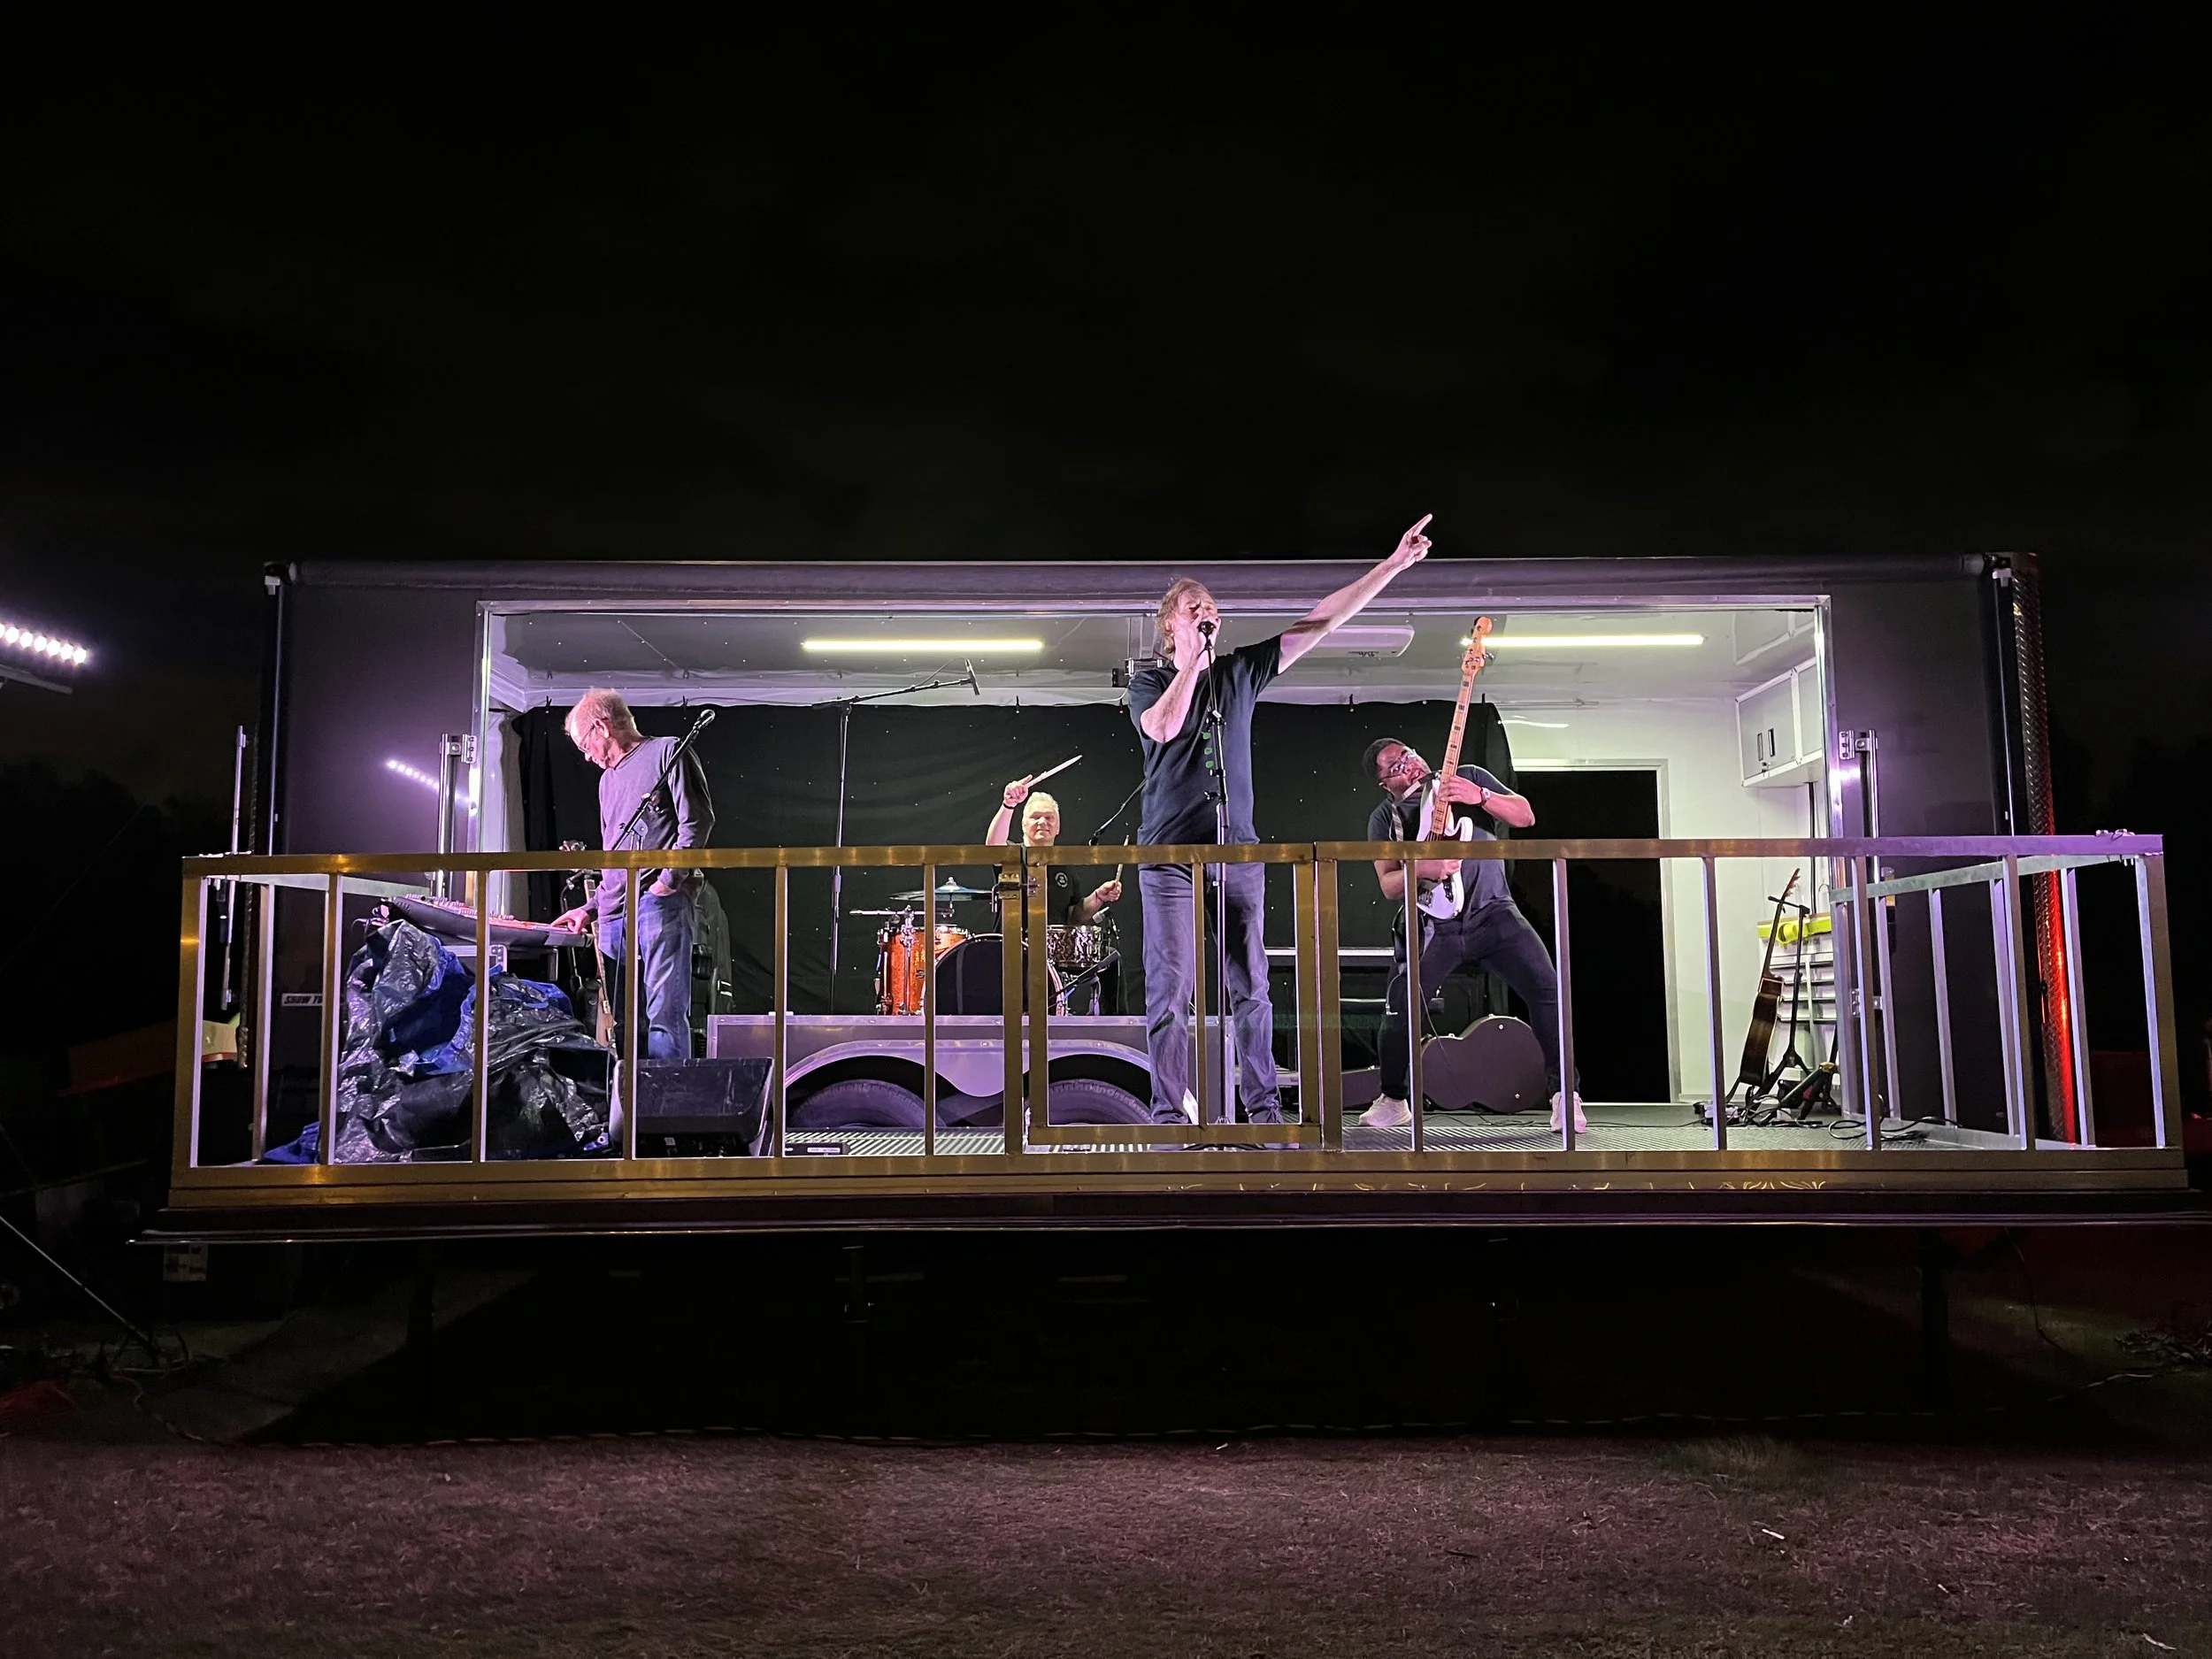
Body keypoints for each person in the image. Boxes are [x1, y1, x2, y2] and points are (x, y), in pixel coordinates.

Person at [1127, 513, 1437, 1127]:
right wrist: (1194, 661)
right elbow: (1160, 727)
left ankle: (1264, 1108)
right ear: (1170, 622)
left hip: (1236, 853)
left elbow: (1323, 620)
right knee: (1172, 992)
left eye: (1211, 606)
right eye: (1193, 605)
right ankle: (1169, 1113)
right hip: (1168, 859)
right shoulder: (1149, 678)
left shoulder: (1241, 673)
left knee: (1253, 989)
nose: (1205, 611)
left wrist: (1393, 565)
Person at [1359, 736, 1584, 1133]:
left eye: (1409, 754)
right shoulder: (1386, 817)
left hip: (1494, 912)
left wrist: (1478, 795)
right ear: (1385, 784)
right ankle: (1394, 1098)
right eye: (1395, 767)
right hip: (1436, 925)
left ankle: (1565, 1094)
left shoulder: (1465, 778)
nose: (1408, 765)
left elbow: (1525, 816)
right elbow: (1389, 885)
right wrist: (1427, 869)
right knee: (1401, 1006)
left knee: (1549, 989)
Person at [550, 688, 716, 1061]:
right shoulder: (607, 781)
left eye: (584, 744)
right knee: (626, 1020)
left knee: (665, 1013)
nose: (585, 755)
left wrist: (667, 883)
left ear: (601, 727)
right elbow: (615, 855)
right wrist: (591, 908)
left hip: (658, 906)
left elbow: (697, 822)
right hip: (613, 915)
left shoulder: (667, 753)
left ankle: (666, 1105)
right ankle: (633, 1104)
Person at [986, 780, 1122, 1012]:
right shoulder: (1012, 855)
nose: (1042, 822)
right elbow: (992, 846)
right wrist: (1008, 806)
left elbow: (1074, 915)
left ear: (1058, 827)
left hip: (1056, 954)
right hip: (1013, 949)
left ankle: (1114, 1031)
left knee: (1110, 960)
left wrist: (1098, 897)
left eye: (1049, 818)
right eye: (1035, 817)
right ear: (1023, 824)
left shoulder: (1064, 865)